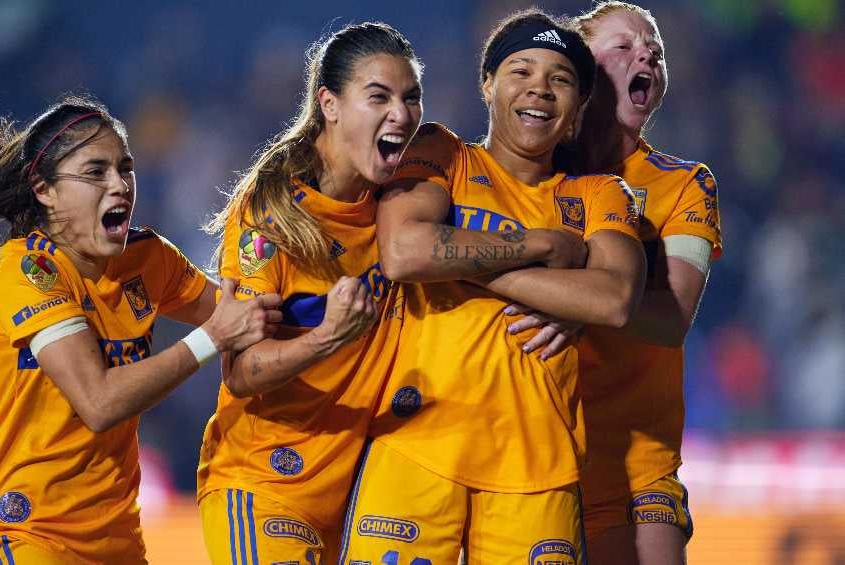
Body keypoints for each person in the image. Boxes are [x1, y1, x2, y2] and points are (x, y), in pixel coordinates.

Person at [0, 70, 282, 565]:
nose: (119, 185)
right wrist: (211, 338)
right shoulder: (28, 273)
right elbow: (98, 401)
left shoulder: (148, 258)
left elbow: (243, 319)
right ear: (45, 190)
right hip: (25, 534)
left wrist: (301, 280)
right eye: (95, 172)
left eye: (125, 168)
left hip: (116, 544)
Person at [340, 10, 647, 564]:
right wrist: (545, 250)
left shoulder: (600, 194)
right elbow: (405, 252)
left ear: (579, 107)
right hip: (415, 443)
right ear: (487, 84)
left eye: (560, 79)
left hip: (538, 465)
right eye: (520, 71)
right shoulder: (442, 152)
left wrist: (458, 264)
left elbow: (615, 300)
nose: (539, 89)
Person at [196, 22, 423, 564]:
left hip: (358, 499)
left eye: (411, 97)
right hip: (266, 482)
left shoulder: (407, 201)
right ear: (329, 105)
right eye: (379, 97)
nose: (401, 113)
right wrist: (326, 337)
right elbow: (240, 371)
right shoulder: (271, 214)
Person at [572, 3, 723, 563]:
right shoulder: (527, 173)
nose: (648, 56)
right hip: (529, 455)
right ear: (579, 70)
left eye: (655, 52)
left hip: (636, 467)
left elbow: (672, 318)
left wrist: (570, 296)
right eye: (624, 46)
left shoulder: (684, 185)